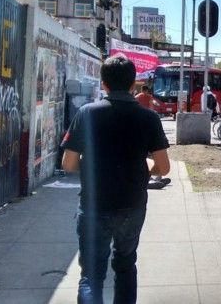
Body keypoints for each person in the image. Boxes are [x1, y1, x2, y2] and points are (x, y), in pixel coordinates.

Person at [61, 55, 170, 304]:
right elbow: (163, 167)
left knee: (91, 274)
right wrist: (145, 169)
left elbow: (67, 163)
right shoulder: (149, 118)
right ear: (134, 84)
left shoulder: (86, 113)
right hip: (132, 206)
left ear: (104, 83)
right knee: (125, 265)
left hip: (93, 206)